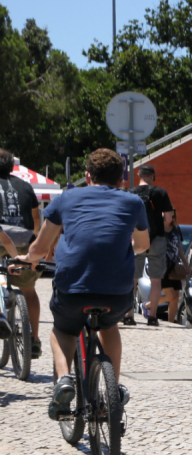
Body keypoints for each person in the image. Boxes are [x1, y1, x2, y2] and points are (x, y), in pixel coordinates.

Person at [12, 149, 149, 419]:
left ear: (87, 176)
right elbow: (142, 245)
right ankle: (114, 391)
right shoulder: (133, 203)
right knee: (109, 326)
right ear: (120, 181)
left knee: (62, 329)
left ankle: (64, 380)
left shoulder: (68, 198)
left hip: (74, 287)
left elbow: (40, 247)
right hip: (117, 292)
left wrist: (28, 259)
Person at [0, 149, 44, 358]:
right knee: (29, 290)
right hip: (24, 241)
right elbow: (36, 219)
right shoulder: (26, 186)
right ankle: (34, 339)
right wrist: (31, 240)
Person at [130, 164, 174, 327]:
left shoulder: (131, 193)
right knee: (156, 281)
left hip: (136, 239)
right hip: (157, 239)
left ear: (138, 175)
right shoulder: (161, 192)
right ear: (152, 176)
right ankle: (153, 317)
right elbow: (169, 219)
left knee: (133, 279)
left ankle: (129, 315)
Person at [160, 209, 192, 324]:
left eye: (173, 216)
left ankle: (170, 322)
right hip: (163, 266)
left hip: (175, 266)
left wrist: (186, 263)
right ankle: (147, 305)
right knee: (170, 295)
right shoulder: (158, 228)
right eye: (169, 216)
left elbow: (179, 248)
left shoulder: (176, 229)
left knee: (176, 296)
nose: (171, 219)